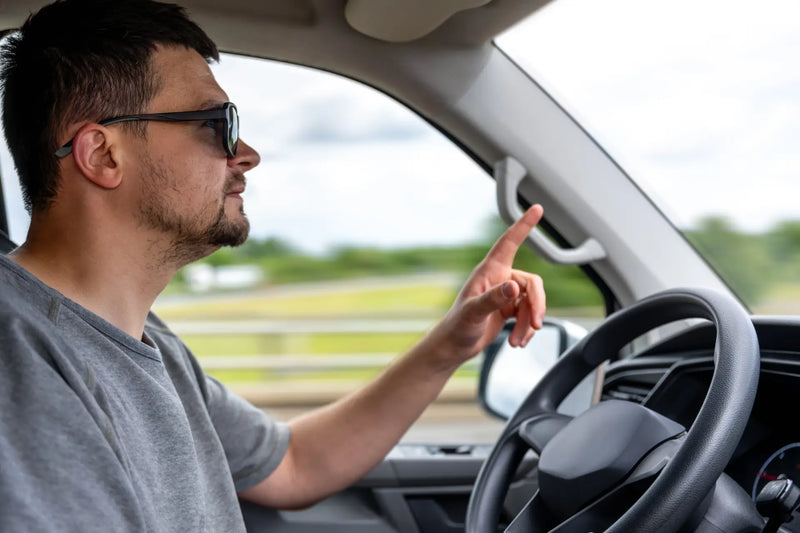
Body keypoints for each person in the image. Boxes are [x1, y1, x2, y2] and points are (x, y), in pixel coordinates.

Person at [0, 0, 546, 530]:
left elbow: (293, 465)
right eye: (216, 124)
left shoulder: (146, 339)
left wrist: (453, 342)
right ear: (103, 155)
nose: (246, 153)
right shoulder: (20, 365)